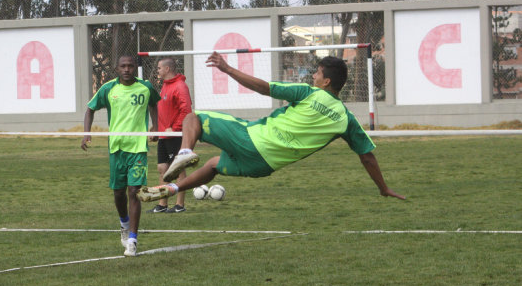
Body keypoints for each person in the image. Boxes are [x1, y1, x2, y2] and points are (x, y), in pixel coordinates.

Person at [137, 51, 405, 203]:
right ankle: (169, 190)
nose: (313, 76)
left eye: (317, 73)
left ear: (325, 82)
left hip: (252, 138)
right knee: (214, 165)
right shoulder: (347, 120)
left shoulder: (309, 92)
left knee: (193, 119)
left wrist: (228, 69)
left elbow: (265, 88)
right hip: (265, 165)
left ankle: (184, 152)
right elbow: (367, 156)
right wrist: (382, 188)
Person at [81, 56, 160, 257]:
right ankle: (124, 224)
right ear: (116, 68)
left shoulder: (146, 87)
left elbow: (154, 105)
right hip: (116, 149)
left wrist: (155, 126)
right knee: (118, 193)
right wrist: (86, 132)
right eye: (123, 66)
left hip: (138, 149)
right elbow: (90, 108)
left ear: (135, 68)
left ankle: (133, 239)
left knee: (134, 191)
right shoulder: (108, 89)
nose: (127, 69)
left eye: (130, 66)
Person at [147, 57, 192, 214]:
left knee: (178, 169)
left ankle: (180, 205)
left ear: (167, 69)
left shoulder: (180, 86)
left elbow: (186, 111)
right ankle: (162, 204)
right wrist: (156, 129)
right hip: (164, 135)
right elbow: (163, 111)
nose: (157, 71)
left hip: (176, 135)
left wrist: (175, 128)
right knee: (162, 168)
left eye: (159, 68)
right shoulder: (164, 86)